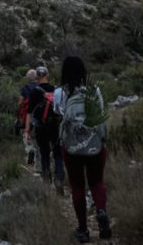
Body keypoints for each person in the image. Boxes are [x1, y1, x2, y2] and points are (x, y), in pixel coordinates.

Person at [59, 55, 111, 243]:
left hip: (72, 147)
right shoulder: (94, 90)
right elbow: (101, 116)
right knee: (97, 182)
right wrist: (104, 139)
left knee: (77, 186)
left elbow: (60, 115)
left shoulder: (62, 93)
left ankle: (83, 229)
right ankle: (101, 211)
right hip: (95, 144)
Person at [25, 66, 64, 188]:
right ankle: (59, 178)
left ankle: (47, 181)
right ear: (47, 75)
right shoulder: (56, 90)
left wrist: (27, 131)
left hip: (41, 127)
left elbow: (29, 113)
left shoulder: (34, 91)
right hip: (55, 126)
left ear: (37, 76)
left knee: (44, 153)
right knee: (58, 153)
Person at [16, 68, 37, 166]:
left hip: (27, 115)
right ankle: (38, 153)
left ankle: (30, 150)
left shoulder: (25, 88)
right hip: (40, 115)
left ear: (28, 78)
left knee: (27, 133)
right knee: (38, 135)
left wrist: (18, 115)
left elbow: (20, 103)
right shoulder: (40, 86)